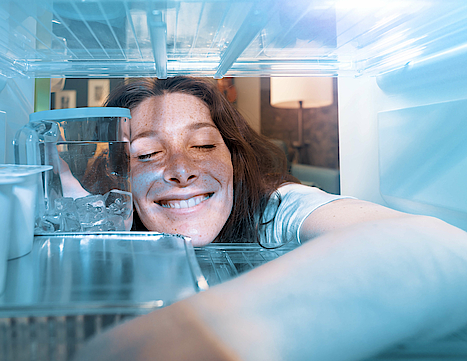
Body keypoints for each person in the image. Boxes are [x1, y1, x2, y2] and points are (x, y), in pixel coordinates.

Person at [73, 76, 467, 360]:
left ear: (232, 155)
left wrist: (207, 336)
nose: (181, 169)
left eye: (203, 144)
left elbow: (434, 247)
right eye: (146, 153)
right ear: (120, 173)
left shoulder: (276, 207)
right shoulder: (106, 222)